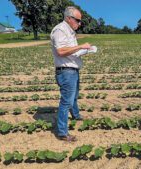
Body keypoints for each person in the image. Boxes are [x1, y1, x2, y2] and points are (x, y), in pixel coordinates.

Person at [50, 6, 97, 142]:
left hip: (72, 70)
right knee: (66, 102)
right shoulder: (60, 30)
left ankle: (76, 115)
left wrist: (86, 50)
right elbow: (61, 51)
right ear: (69, 18)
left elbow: (72, 52)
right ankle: (62, 133)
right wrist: (81, 46)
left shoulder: (69, 32)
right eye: (78, 20)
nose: (79, 23)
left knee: (74, 96)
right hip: (66, 72)